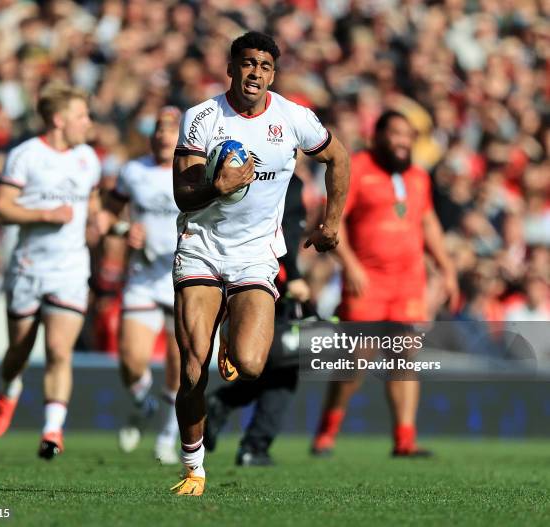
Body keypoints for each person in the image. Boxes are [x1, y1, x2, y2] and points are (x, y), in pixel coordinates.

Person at [170, 31, 350, 495]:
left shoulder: (292, 118)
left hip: (255, 254)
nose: (255, 73)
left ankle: (231, 324)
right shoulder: (202, 117)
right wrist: (219, 186)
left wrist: (331, 222)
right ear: (231, 67)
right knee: (193, 369)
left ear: (273, 74)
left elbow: (339, 157)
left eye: (265, 66)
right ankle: (194, 468)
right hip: (203, 246)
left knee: (251, 365)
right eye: (247, 63)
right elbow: (183, 194)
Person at [311, 110, 458, 457]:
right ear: (377, 136)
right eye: (395, 133)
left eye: (408, 135)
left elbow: (428, 223)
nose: (403, 141)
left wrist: (446, 267)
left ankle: (404, 439)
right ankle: (327, 432)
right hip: (367, 281)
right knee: (356, 361)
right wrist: (350, 265)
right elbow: (333, 220)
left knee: (405, 358)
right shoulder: (357, 168)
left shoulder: (419, 177)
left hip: (407, 282)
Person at [0, 82, 101, 460]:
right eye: (81, 115)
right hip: (29, 267)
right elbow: (0, 208)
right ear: (58, 119)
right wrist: (44, 214)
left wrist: (101, 223)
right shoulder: (26, 156)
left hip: (70, 269)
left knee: (58, 350)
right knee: (19, 350)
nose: (88, 122)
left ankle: (52, 431)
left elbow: (94, 203)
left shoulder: (88, 159)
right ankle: (10, 387)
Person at [203, 174, 311, 466]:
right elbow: (284, 231)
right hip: (271, 277)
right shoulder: (287, 178)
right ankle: (254, 445)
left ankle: (225, 407)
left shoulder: (249, 172)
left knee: (272, 364)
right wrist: (294, 277)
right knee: (284, 366)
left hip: (240, 271)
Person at [101, 107, 182, 464]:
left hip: (183, 275)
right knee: (132, 361)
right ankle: (142, 402)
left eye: (170, 129)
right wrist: (123, 231)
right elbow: (107, 215)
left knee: (182, 368)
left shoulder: (196, 171)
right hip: (144, 277)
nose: (163, 135)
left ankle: (167, 437)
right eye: (159, 129)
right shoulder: (134, 171)